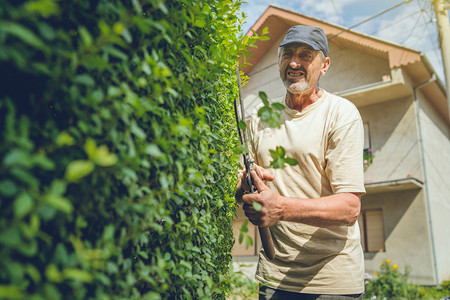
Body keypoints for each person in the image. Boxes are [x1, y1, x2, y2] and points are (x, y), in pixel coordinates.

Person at [236, 25, 366, 299]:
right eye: (288, 54)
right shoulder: (260, 116)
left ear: (324, 65)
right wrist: (245, 186)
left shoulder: (341, 114)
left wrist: (280, 208)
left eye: (306, 55)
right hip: (275, 279)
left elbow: (349, 208)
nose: (294, 62)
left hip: (333, 283)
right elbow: (249, 191)